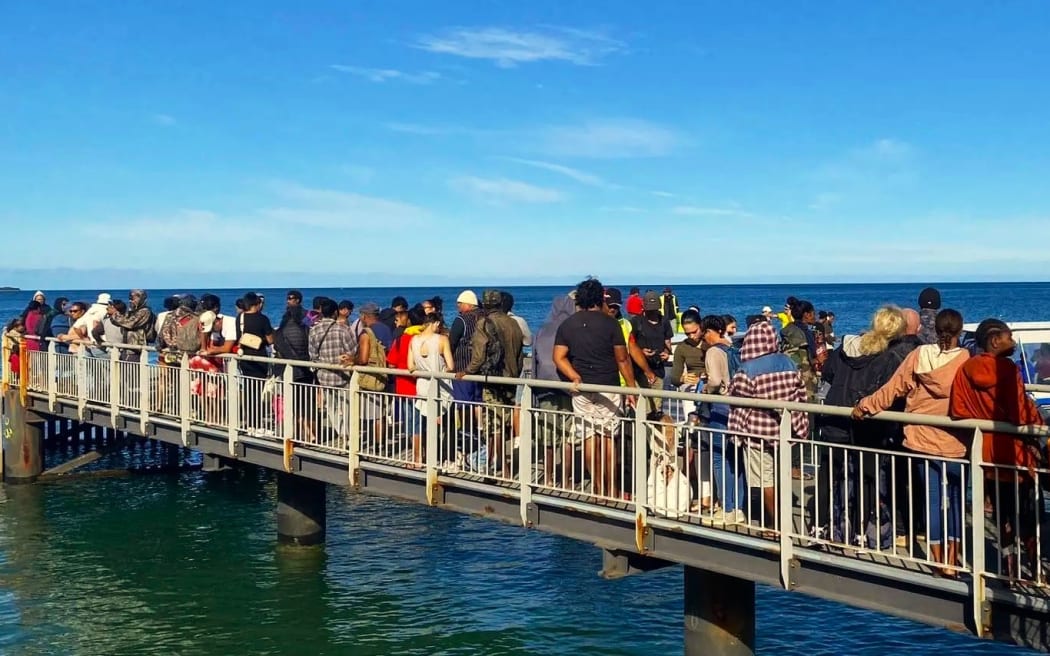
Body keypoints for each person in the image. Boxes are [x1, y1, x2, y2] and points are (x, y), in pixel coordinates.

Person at [852, 308, 969, 576]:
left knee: (933, 499)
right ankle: (954, 558)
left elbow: (892, 389)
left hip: (921, 437)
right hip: (956, 440)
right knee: (955, 499)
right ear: (959, 331)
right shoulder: (965, 359)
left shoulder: (919, 356)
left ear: (935, 330)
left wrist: (865, 406)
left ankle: (938, 561)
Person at [950, 318, 1045, 579]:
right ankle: (1037, 569)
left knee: (1003, 516)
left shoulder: (965, 368)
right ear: (994, 340)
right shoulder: (1007, 370)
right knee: (1029, 515)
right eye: (1009, 338)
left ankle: (1009, 570)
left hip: (987, 452)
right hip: (1015, 454)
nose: (1013, 343)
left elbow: (958, 410)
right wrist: (1037, 420)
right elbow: (1019, 412)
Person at [553, 278, 637, 498]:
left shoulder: (568, 325)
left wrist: (574, 375)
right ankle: (611, 488)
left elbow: (558, 357)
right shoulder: (611, 324)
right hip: (608, 386)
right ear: (601, 299)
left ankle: (597, 486)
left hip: (581, 388)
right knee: (608, 438)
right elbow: (622, 359)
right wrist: (631, 387)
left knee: (589, 437)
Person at [728, 321, 809, 529]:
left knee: (765, 480)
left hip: (757, 433)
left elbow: (737, 400)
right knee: (781, 474)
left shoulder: (747, 369)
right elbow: (800, 393)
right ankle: (783, 517)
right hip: (785, 429)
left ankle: (776, 523)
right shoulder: (788, 362)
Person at [407, 312, 455, 465]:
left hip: (422, 385)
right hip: (440, 387)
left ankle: (420, 457)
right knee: (442, 424)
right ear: (435, 323)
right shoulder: (442, 339)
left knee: (423, 423)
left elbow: (410, 367)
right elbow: (451, 366)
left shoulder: (413, 340)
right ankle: (440, 458)